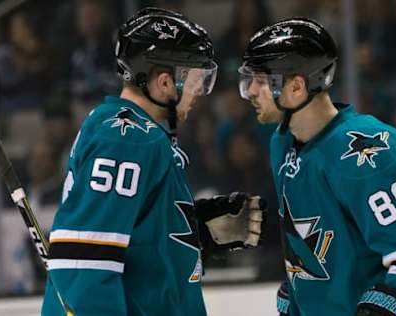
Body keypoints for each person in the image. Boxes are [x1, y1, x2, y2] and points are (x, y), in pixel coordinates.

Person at [42, 7, 265, 316]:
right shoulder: (125, 139)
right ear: (163, 82)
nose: (201, 89)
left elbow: (129, 238)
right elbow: (86, 265)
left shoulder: (131, 133)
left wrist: (191, 228)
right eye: (197, 78)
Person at [238, 18, 396, 315]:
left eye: (261, 81)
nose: (251, 90)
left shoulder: (366, 150)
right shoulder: (282, 143)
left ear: (296, 86)